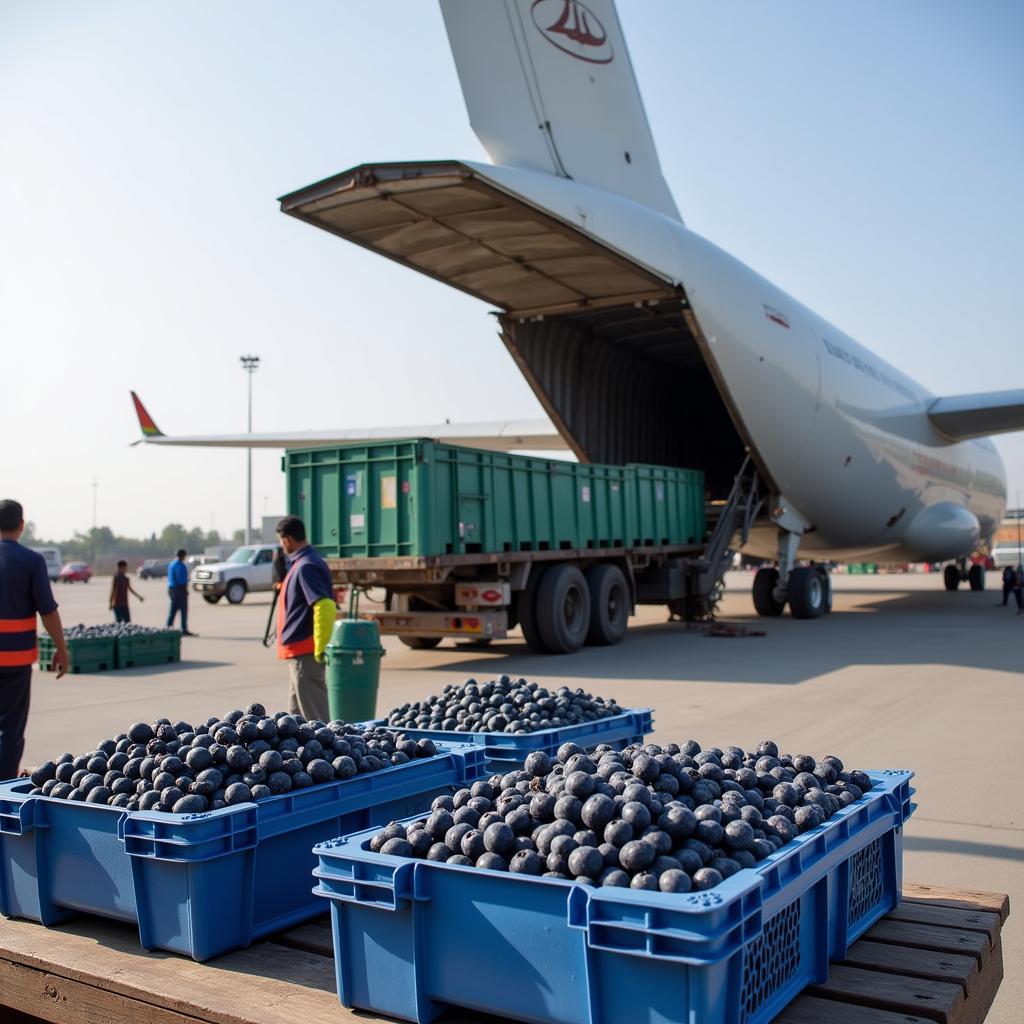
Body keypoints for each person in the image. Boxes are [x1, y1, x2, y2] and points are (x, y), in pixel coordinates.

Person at [0, 499, 68, 780]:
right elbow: (48, 612)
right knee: (10, 731)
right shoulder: (31, 561)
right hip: (15, 661)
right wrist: (61, 650)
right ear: (21, 526)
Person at [275, 516, 336, 722]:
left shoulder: (306, 566)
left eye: (281, 541)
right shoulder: (304, 563)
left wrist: (320, 647)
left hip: (306, 651)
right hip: (299, 651)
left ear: (288, 540)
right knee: (296, 719)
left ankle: (327, 754)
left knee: (315, 718)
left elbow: (325, 605)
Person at [166, 548, 196, 635]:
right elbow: (182, 580)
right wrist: (185, 590)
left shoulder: (172, 564)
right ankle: (184, 629)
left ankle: (168, 627)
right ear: (183, 555)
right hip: (179, 589)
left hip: (171, 588)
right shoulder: (181, 566)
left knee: (173, 609)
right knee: (183, 610)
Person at [110, 559, 144, 623]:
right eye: (125, 567)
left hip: (124, 604)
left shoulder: (126, 578)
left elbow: (130, 589)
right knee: (121, 622)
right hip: (117, 604)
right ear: (121, 567)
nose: (126, 569)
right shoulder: (117, 578)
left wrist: (139, 597)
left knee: (126, 622)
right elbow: (114, 591)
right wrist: (110, 602)